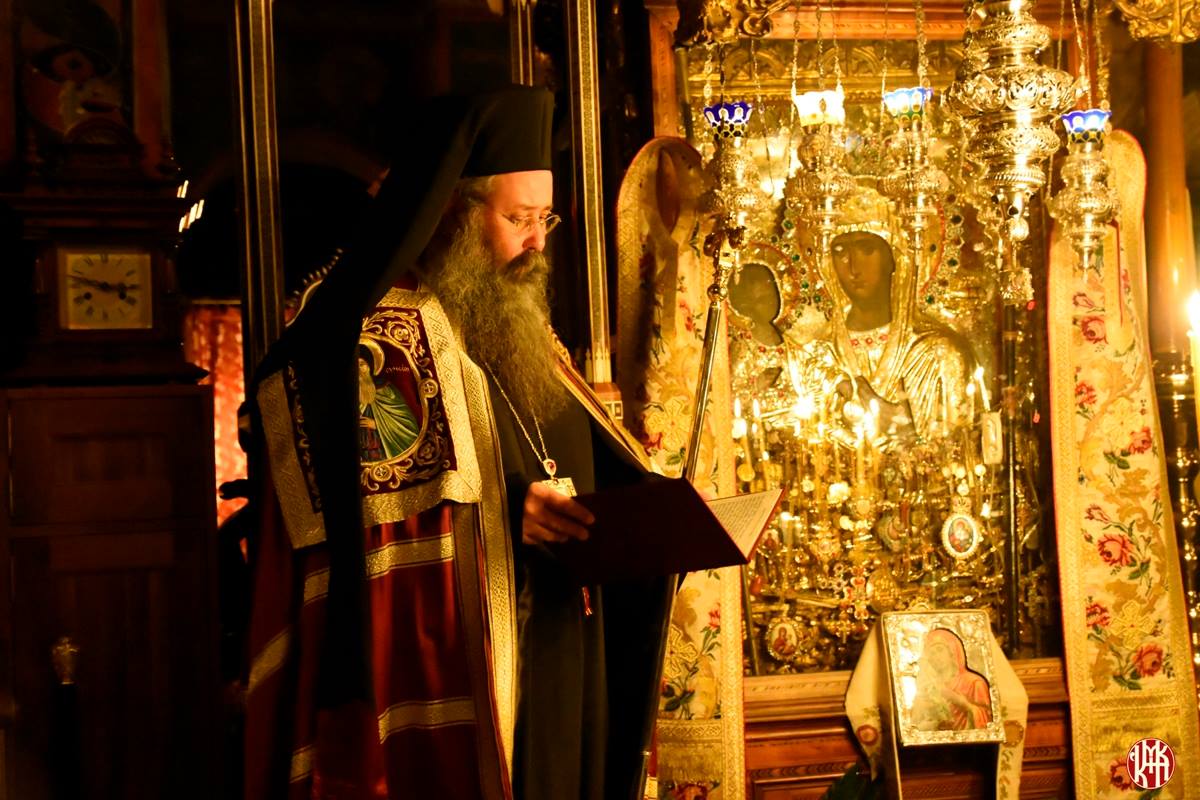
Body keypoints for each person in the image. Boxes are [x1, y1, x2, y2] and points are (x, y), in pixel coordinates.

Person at [243, 86, 671, 800]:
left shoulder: (518, 322)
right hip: (466, 655)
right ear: (450, 209)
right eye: (518, 218)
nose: (538, 242)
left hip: (557, 638)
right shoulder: (371, 332)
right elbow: (361, 521)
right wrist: (504, 512)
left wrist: (655, 511)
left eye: (545, 218)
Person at [789, 188, 976, 442]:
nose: (853, 267)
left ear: (894, 258)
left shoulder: (938, 354)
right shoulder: (817, 355)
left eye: (867, 249)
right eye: (840, 251)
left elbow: (955, 443)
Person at [910, 628, 993, 732]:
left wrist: (962, 703)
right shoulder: (927, 687)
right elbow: (914, 726)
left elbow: (986, 721)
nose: (936, 657)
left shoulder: (974, 683)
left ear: (952, 651)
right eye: (932, 653)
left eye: (940, 650)